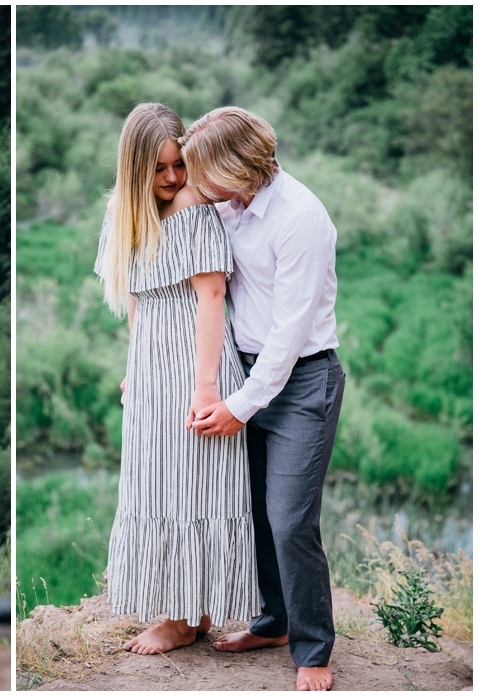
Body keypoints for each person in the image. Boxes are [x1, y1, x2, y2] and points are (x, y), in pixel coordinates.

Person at [184, 107, 343, 693]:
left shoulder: (300, 217)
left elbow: (290, 332)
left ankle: (314, 650)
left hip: (302, 381)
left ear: (239, 168)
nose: (199, 186)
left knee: (291, 519)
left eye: (206, 174)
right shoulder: (232, 203)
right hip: (248, 373)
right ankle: (274, 622)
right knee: (254, 513)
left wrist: (238, 406)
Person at [92, 102, 258, 656]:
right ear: (135, 167)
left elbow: (212, 296)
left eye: (178, 165)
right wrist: (132, 367)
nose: (172, 178)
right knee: (157, 481)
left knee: (197, 484)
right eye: (160, 169)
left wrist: (206, 386)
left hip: (197, 362)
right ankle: (188, 610)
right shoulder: (125, 212)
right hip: (151, 368)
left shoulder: (192, 207)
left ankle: (187, 617)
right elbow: (138, 298)